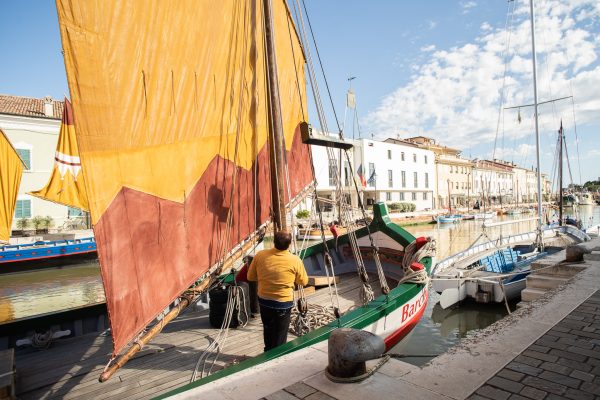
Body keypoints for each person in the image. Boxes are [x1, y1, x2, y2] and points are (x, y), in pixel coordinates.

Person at [247, 230, 308, 351]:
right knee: (280, 334)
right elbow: (304, 281)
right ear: (289, 244)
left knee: (268, 328)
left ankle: (268, 352)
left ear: (273, 242)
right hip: (283, 303)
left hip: (264, 301)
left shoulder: (260, 255)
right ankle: (278, 356)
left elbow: (250, 277)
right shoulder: (295, 260)